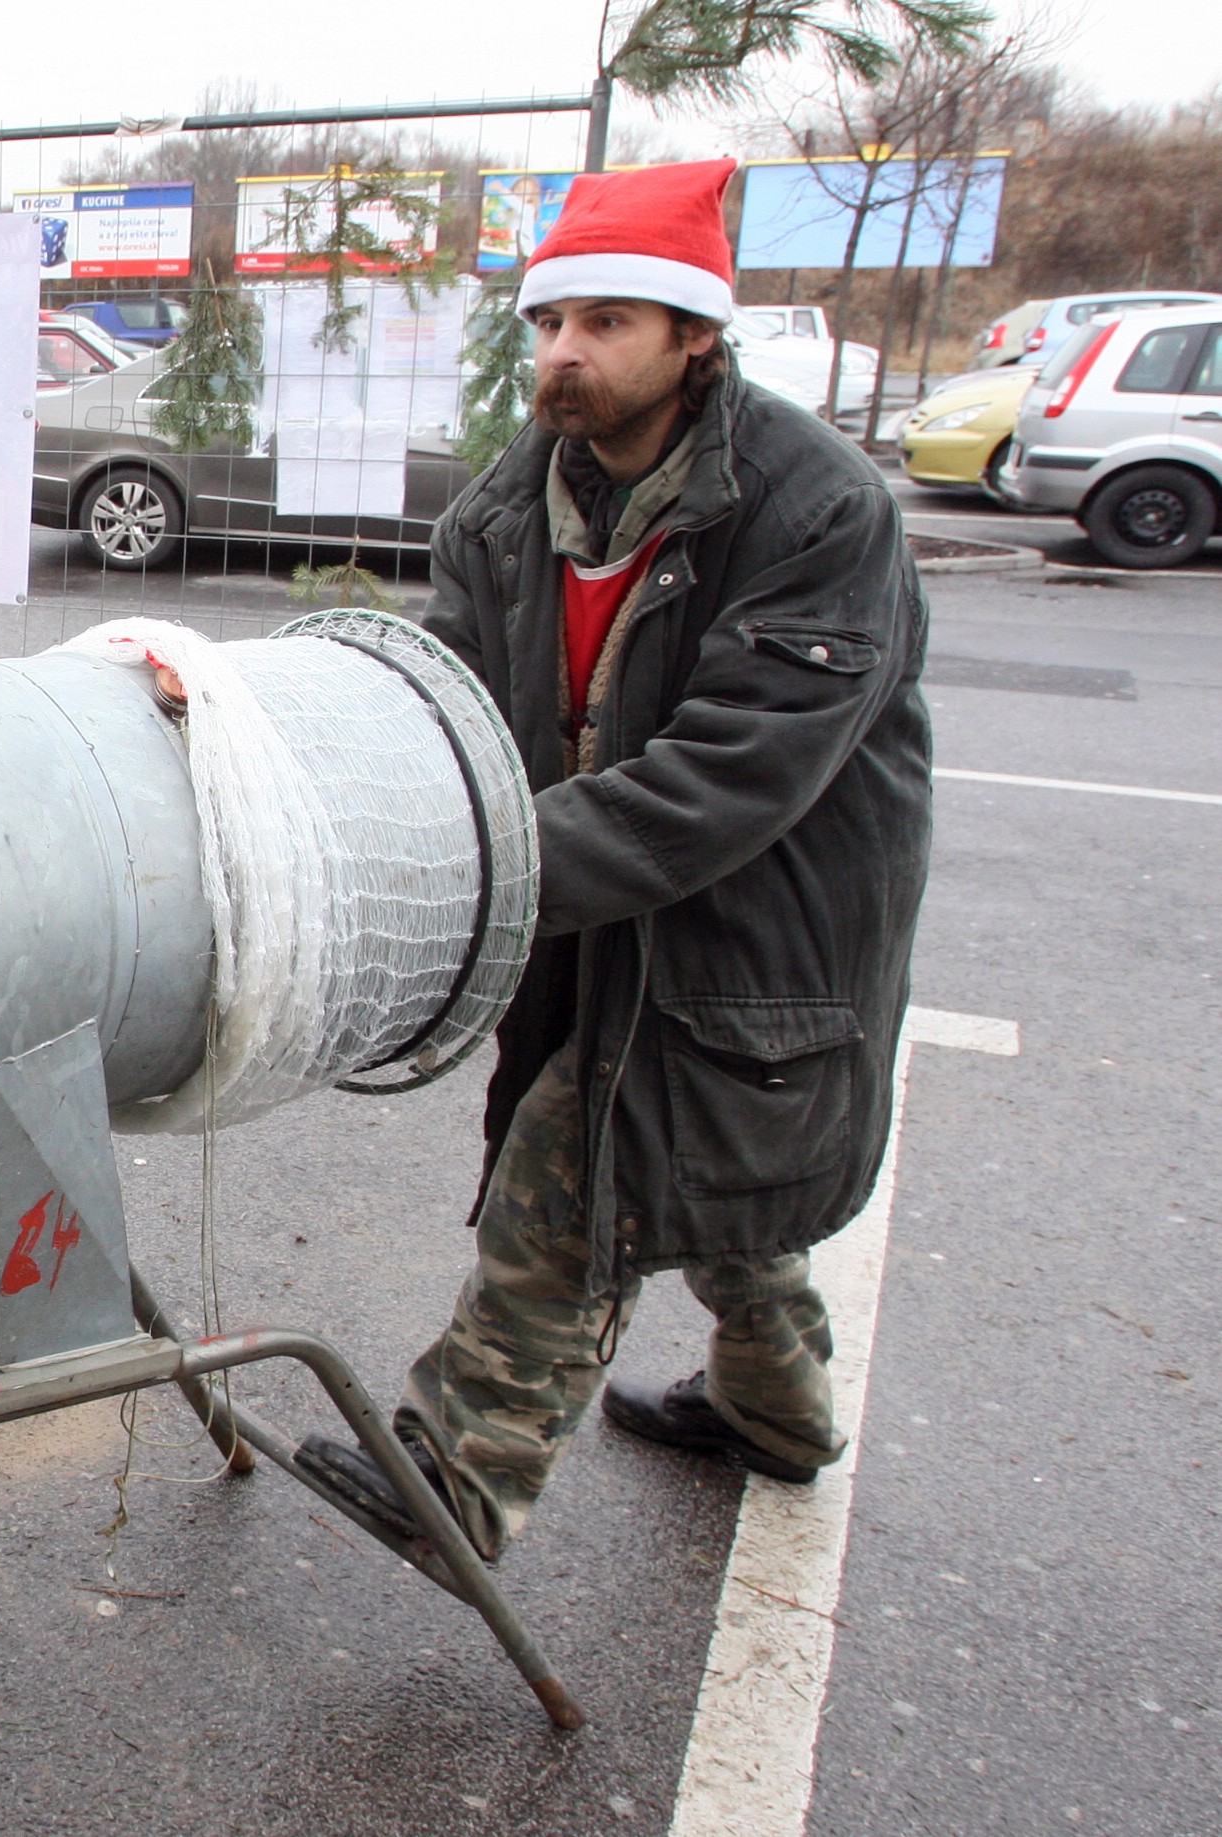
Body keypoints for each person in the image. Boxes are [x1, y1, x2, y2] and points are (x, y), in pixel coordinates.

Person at [292, 159, 933, 1564]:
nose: (563, 355)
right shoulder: (508, 513)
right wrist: (281, 751)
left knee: (587, 1153)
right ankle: (777, 1405)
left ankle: (459, 1474)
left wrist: (488, 875)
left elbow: (726, 783)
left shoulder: (819, 512)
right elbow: (438, 713)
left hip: (760, 927)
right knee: (711, 1171)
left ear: (696, 336)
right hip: (591, 902)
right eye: (548, 323)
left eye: (606, 324)